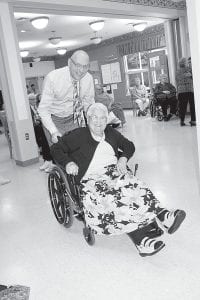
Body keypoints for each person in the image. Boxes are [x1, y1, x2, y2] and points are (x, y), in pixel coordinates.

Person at [51, 103, 186, 257]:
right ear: (88, 119)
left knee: (136, 186)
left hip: (113, 172)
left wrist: (122, 159)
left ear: (107, 120)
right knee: (115, 198)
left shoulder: (110, 133)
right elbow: (56, 149)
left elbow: (129, 146)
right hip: (91, 178)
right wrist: (68, 163)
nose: (98, 121)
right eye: (94, 117)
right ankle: (141, 241)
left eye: (102, 118)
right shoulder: (78, 135)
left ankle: (164, 216)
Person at [38, 50, 95, 146]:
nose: (81, 70)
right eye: (77, 65)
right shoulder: (53, 78)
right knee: (61, 155)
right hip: (53, 119)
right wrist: (53, 131)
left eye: (85, 66)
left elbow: (88, 104)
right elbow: (43, 110)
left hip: (75, 117)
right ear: (69, 63)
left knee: (80, 150)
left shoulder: (88, 78)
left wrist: (94, 121)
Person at [28, 93, 53, 172]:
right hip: (37, 126)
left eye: (35, 99)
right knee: (43, 138)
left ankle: (49, 161)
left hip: (45, 125)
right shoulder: (29, 108)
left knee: (45, 139)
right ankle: (47, 160)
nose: (34, 101)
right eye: (32, 99)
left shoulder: (39, 106)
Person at [176, 58, 196, 126]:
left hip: (182, 91)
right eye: (187, 62)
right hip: (189, 90)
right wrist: (189, 75)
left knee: (182, 107)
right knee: (192, 106)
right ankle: (193, 121)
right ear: (185, 63)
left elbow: (178, 80)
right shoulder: (190, 69)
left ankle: (182, 121)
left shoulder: (178, 71)